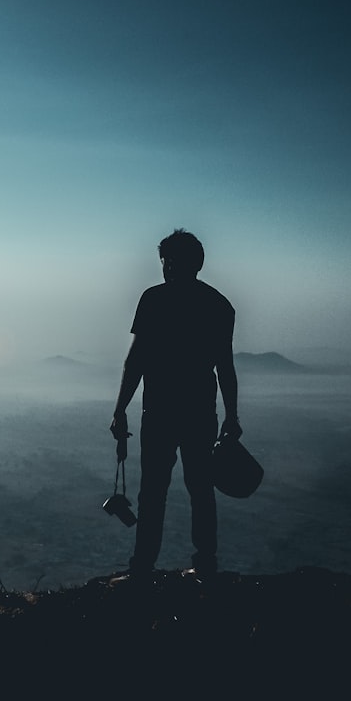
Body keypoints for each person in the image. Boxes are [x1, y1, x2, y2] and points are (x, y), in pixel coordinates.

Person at [110, 229, 242, 577]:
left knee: (154, 492)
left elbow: (135, 360)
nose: (167, 268)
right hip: (199, 411)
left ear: (190, 263)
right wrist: (231, 415)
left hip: (160, 412)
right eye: (166, 262)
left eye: (171, 262)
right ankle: (204, 564)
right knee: (200, 489)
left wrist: (121, 409)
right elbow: (224, 366)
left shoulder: (153, 300)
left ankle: (142, 568)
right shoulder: (218, 305)